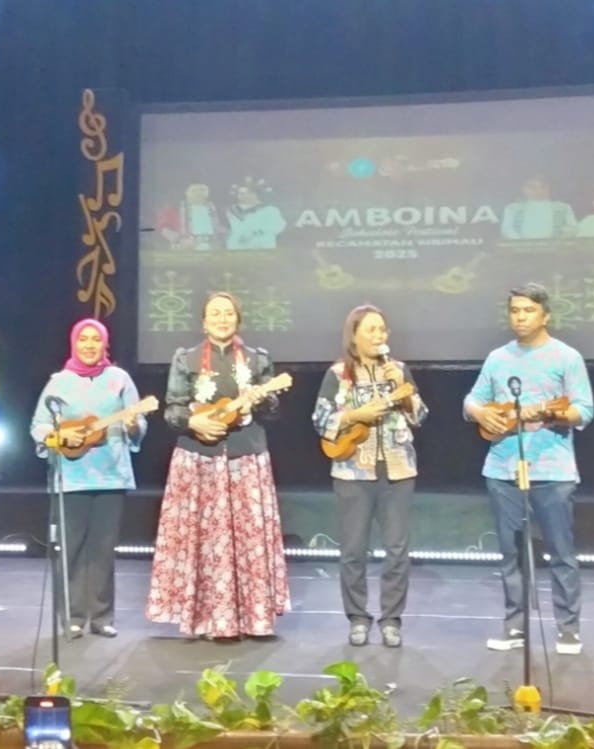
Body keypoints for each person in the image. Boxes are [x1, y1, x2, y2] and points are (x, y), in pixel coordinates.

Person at [145, 292, 289, 638]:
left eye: (228, 313)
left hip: (246, 458)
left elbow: (273, 412)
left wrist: (260, 401)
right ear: (204, 322)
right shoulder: (186, 359)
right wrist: (193, 422)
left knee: (248, 541)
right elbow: (172, 409)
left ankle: (252, 618)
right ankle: (204, 619)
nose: (222, 319)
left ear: (238, 319)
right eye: (215, 314)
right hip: (198, 460)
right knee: (203, 541)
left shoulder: (257, 360)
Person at [462, 283, 594, 655]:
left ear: (545, 315)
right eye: (515, 311)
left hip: (553, 470)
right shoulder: (497, 358)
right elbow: (471, 400)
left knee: (561, 552)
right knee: (511, 554)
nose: (520, 317)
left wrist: (553, 413)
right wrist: (480, 412)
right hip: (502, 468)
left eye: (528, 310)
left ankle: (568, 629)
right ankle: (514, 626)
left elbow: (584, 409)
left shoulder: (566, 357)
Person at [312, 305, 427, 648]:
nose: (379, 336)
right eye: (371, 330)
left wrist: (404, 393)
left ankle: (391, 619)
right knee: (353, 550)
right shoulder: (338, 374)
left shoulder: (399, 371)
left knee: (397, 550)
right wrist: (355, 415)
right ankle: (358, 617)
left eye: (382, 330)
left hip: (398, 469)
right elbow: (320, 419)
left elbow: (420, 416)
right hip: (352, 471)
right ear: (355, 336)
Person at [29, 318, 147, 638]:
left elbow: (138, 423)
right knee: (71, 550)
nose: (90, 345)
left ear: (105, 344)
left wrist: (134, 424)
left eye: (96, 339)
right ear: (74, 343)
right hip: (71, 478)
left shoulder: (119, 379)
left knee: (104, 550)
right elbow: (39, 425)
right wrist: (59, 436)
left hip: (111, 476)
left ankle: (102, 616)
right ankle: (73, 616)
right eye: (84, 339)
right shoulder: (59, 382)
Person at [500, 176, 577, 240]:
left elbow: (573, 228)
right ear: (523, 189)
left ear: (549, 188)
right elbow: (507, 230)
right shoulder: (512, 208)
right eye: (532, 187)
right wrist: (524, 244)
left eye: (543, 187)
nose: (538, 190)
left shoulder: (563, 207)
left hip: (556, 249)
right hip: (520, 249)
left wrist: (557, 241)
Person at [225, 177, 287, 250]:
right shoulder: (232, 211)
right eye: (240, 194)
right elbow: (229, 229)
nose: (241, 196)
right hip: (237, 247)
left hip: (262, 247)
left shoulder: (270, 210)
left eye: (245, 194)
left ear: (255, 194)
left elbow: (278, 226)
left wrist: (256, 232)